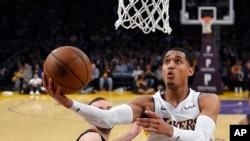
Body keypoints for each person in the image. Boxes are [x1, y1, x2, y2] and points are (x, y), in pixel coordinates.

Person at [43, 47, 221, 141]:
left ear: (190, 71)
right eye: (167, 61)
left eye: (177, 61)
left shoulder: (206, 100)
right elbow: (109, 118)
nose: (171, 65)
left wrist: (168, 130)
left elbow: (203, 138)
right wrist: (69, 104)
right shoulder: (148, 103)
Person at [76, 97, 142, 141]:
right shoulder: (92, 137)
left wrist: (132, 133)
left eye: (109, 110)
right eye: (100, 111)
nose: (106, 114)